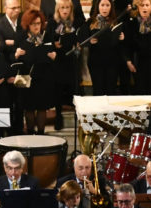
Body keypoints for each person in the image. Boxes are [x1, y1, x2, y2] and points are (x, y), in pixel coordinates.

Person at [13, 9, 57, 134]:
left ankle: (41, 133)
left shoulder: (47, 35)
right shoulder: (21, 36)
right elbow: (13, 57)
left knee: (42, 107)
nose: (36, 26)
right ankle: (31, 133)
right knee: (29, 107)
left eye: (38, 23)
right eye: (33, 24)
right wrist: (16, 54)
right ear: (28, 25)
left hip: (44, 77)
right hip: (27, 77)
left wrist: (54, 56)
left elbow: (53, 52)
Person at [48, 0, 84, 128]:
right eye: (62, 8)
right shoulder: (53, 22)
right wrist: (54, 44)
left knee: (74, 87)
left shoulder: (76, 21)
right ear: (58, 9)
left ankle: (77, 117)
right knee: (58, 89)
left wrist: (78, 43)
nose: (65, 10)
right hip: (58, 60)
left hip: (72, 59)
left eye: (67, 7)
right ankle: (58, 116)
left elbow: (81, 36)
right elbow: (47, 39)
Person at [0, 0, 25, 134]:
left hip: (21, 68)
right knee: (7, 103)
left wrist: (11, 42)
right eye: (13, 8)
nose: (16, 11)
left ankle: (18, 131)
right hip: (6, 69)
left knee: (21, 103)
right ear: (5, 8)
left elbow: (25, 41)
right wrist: (13, 44)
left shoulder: (23, 22)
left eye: (18, 8)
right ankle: (8, 133)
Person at [79, 0, 123, 95]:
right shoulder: (91, 22)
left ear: (111, 7)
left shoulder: (116, 21)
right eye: (102, 5)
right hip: (96, 61)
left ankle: (110, 110)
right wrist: (89, 41)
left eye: (107, 5)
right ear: (97, 6)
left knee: (111, 89)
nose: (105, 8)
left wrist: (122, 38)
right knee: (98, 90)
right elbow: (82, 39)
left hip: (112, 62)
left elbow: (121, 43)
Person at [122, 0, 151, 95]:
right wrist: (128, 61)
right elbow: (127, 44)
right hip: (138, 63)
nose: (144, 7)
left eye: (147, 5)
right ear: (137, 7)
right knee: (140, 91)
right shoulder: (131, 23)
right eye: (142, 5)